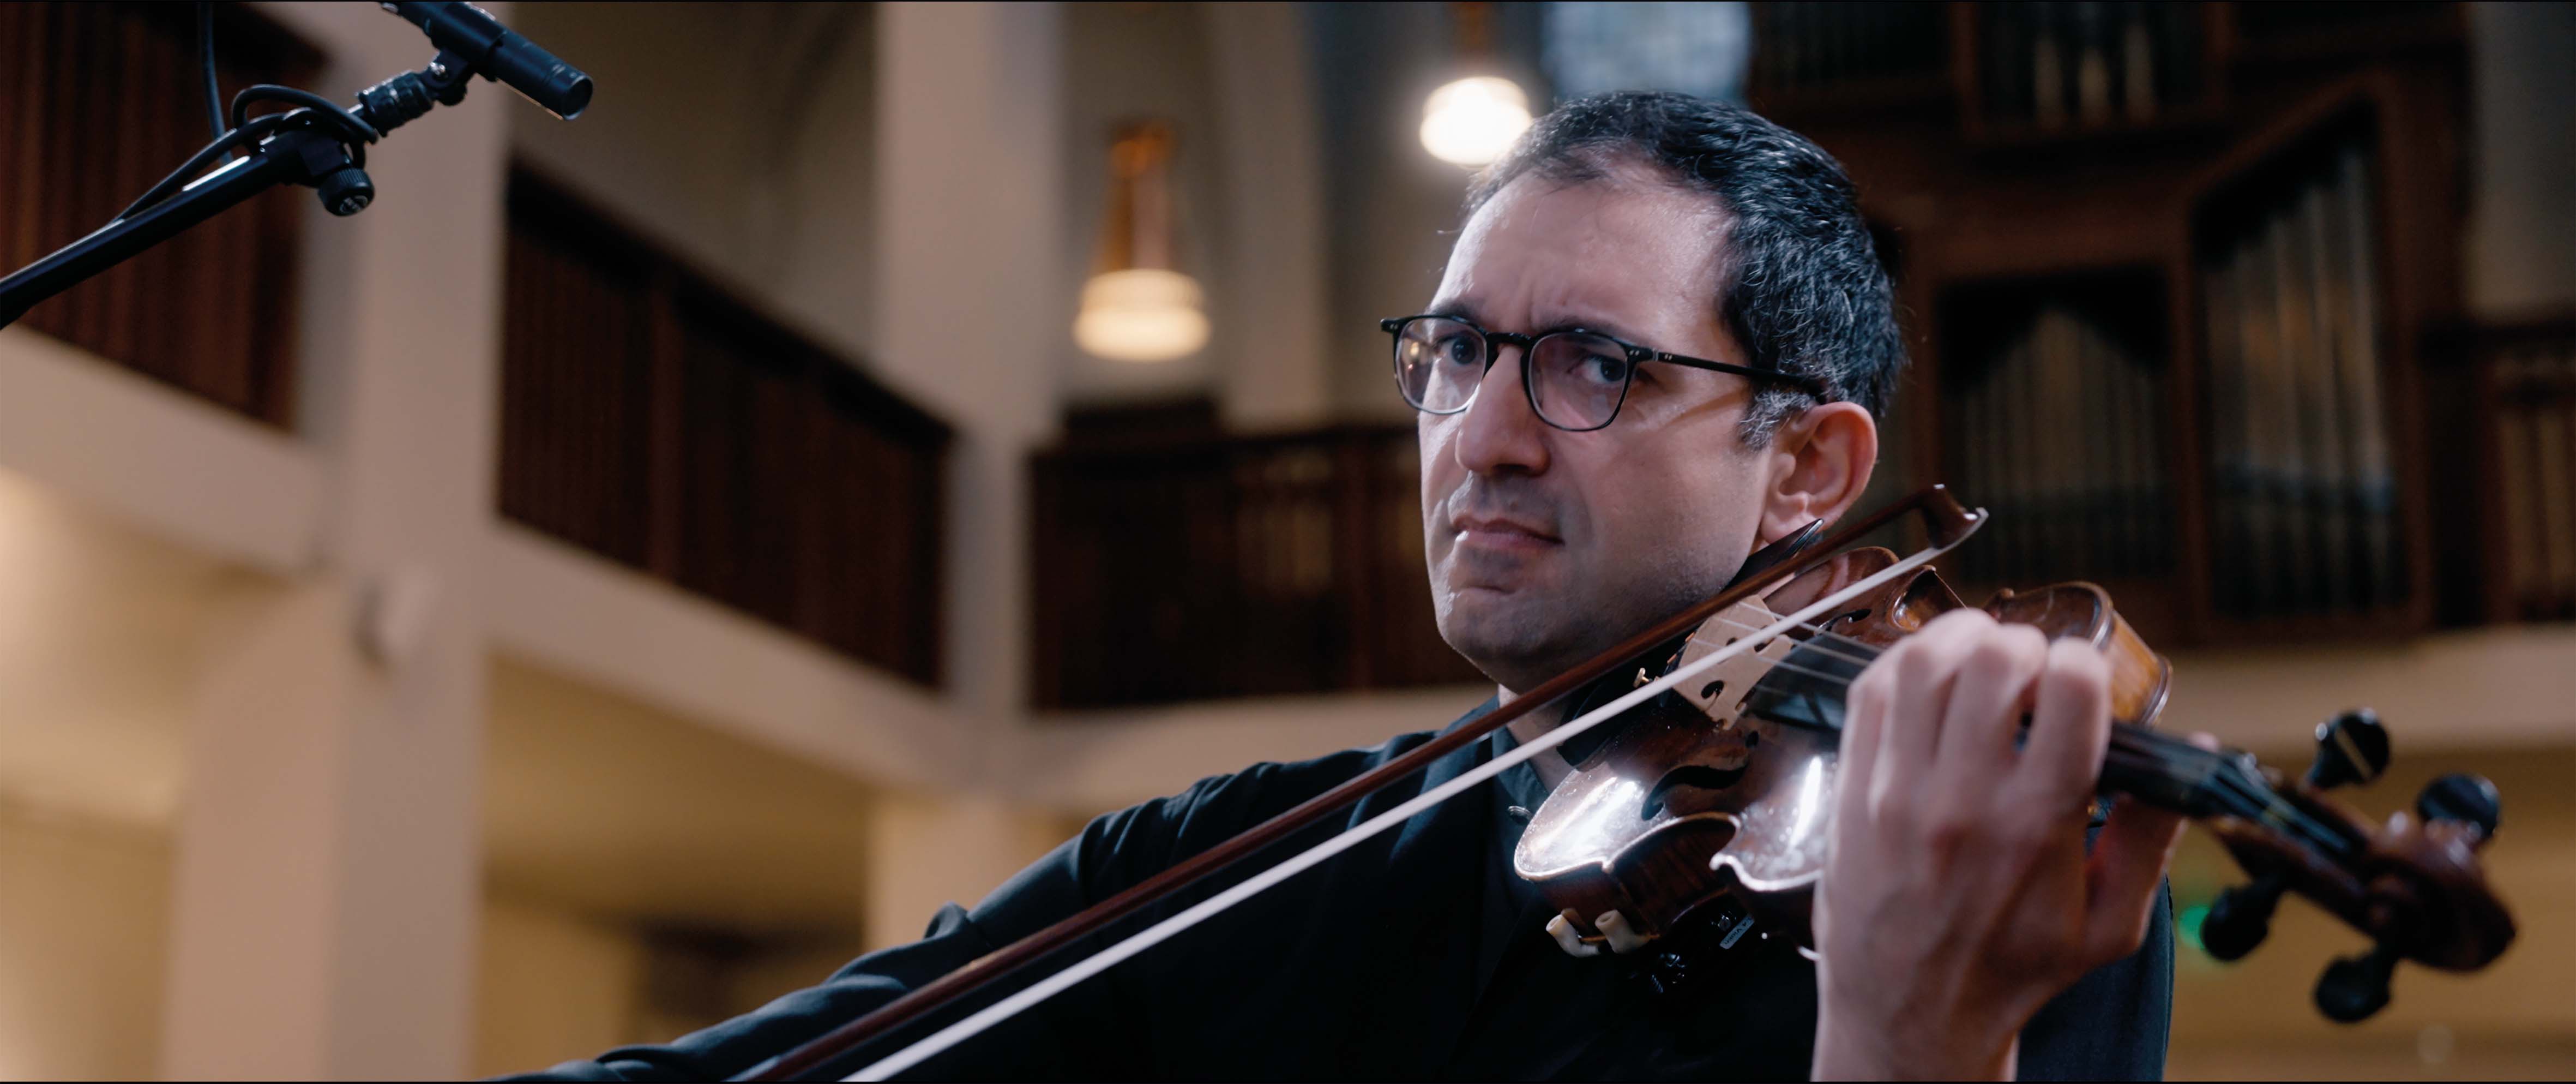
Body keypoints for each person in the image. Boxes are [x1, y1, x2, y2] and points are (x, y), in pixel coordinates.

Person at [513, 91, 2179, 1082]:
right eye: (1457, 351)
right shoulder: (1227, 863)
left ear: (1804, 467)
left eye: (1593, 364)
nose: (1488, 436)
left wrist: (1900, 1038)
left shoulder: (1967, 856)